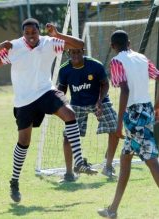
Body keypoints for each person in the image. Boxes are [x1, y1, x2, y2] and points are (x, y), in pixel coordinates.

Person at [0, 18, 98, 203]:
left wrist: (57, 34)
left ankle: (78, 162)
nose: (31, 36)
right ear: (23, 34)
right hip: (24, 101)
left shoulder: (50, 43)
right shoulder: (14, 47)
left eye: (34, 32)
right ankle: (14, 181)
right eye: (27, 33)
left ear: (39, 32)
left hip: (46, 91)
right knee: (24, 142)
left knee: (70, 115)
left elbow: (79, 44)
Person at [97, 30, 159, 218]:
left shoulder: (117, 61)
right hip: (146, 110)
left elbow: (124, 89)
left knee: (152, 162)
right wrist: (156, 105)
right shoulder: (141, 57)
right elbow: (158, 76)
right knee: (125, 159)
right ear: (129, 42)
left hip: (133, 115)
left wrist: (118, 124)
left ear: (112, 45)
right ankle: (113, 209)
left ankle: (112, 209)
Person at [58, 48, 120, 181]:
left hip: (99, 101)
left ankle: (108, 167)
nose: (75, 55)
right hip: (77, 105)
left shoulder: (95, 65)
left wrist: (100, 101)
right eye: (72, 52)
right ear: (68, 53)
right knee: (68, 136)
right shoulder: (64, 69)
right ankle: (69, 174)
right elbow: (61, 89)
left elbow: (105, 84)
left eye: (78, 52)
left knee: (115, 129)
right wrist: (60, 103)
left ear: (83, 51)